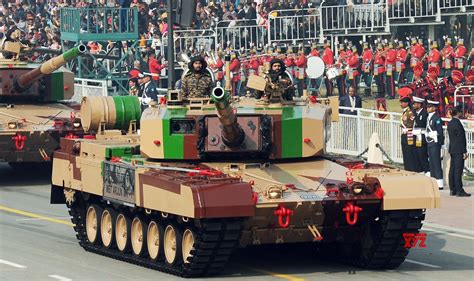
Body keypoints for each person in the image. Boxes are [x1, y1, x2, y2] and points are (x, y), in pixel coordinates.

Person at [447, 106, 471, 197]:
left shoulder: (451, 123)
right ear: (458, 113)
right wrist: (464, 151)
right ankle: (459, 190)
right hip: (458, 149)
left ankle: (452, 188)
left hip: (453, 148)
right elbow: (461, 139)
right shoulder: (457, 123)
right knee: (458, 170)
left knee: (452, 169)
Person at [426, 98, 445, 190]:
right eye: (427, 106)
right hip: (429, 142)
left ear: (434, 108)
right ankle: (433, 181)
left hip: (435, 143)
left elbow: (440, 132)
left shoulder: (436, 118)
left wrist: (440, 143)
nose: (427, 108)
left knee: (436, 163)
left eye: (429, 107)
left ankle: (439, 183)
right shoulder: (429, 117)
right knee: (431, 163)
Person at [399, 88, 417, 171]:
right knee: (405, 154)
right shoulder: (405, 112)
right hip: (404, 134)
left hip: (409, 134)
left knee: (409, 154)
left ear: (407, 103)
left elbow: (409, 124)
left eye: (402, 102)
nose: (401, 104)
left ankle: (411, 170)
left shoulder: (410, 112)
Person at [412, 96, 430, 175]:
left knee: (422, 154)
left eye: (415, 104)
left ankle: (427, 171)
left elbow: (422, 124)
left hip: (421, 135)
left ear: (419, 105)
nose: (413, 105)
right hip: (416, 136)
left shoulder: (424, 113)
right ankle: (419, 170)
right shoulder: (414, 113)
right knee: (417, 154)